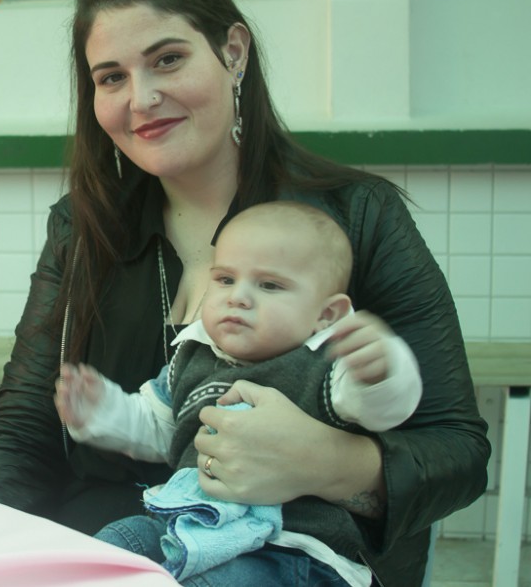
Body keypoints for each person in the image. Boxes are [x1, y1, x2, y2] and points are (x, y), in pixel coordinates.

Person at [0, 0, 489, 586]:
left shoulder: (356, 216)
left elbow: (456, 449)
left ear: (233, 52)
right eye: (112, 77)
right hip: (110, 553)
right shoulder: (83, 226)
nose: (141, 98)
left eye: (168, 59)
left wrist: (329, 462)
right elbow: (22, 427)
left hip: (289, 559)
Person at [54, 201, 423, 586]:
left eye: (270, 285)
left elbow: (384, 410)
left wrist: (381, 371)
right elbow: (156, 427)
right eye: (226, 279)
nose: (238, 297)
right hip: (188, 528)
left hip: (289, 551)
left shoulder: (328, 367)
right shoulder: (192, 357)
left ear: (325, 315)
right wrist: (98, 411)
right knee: (113, 545)